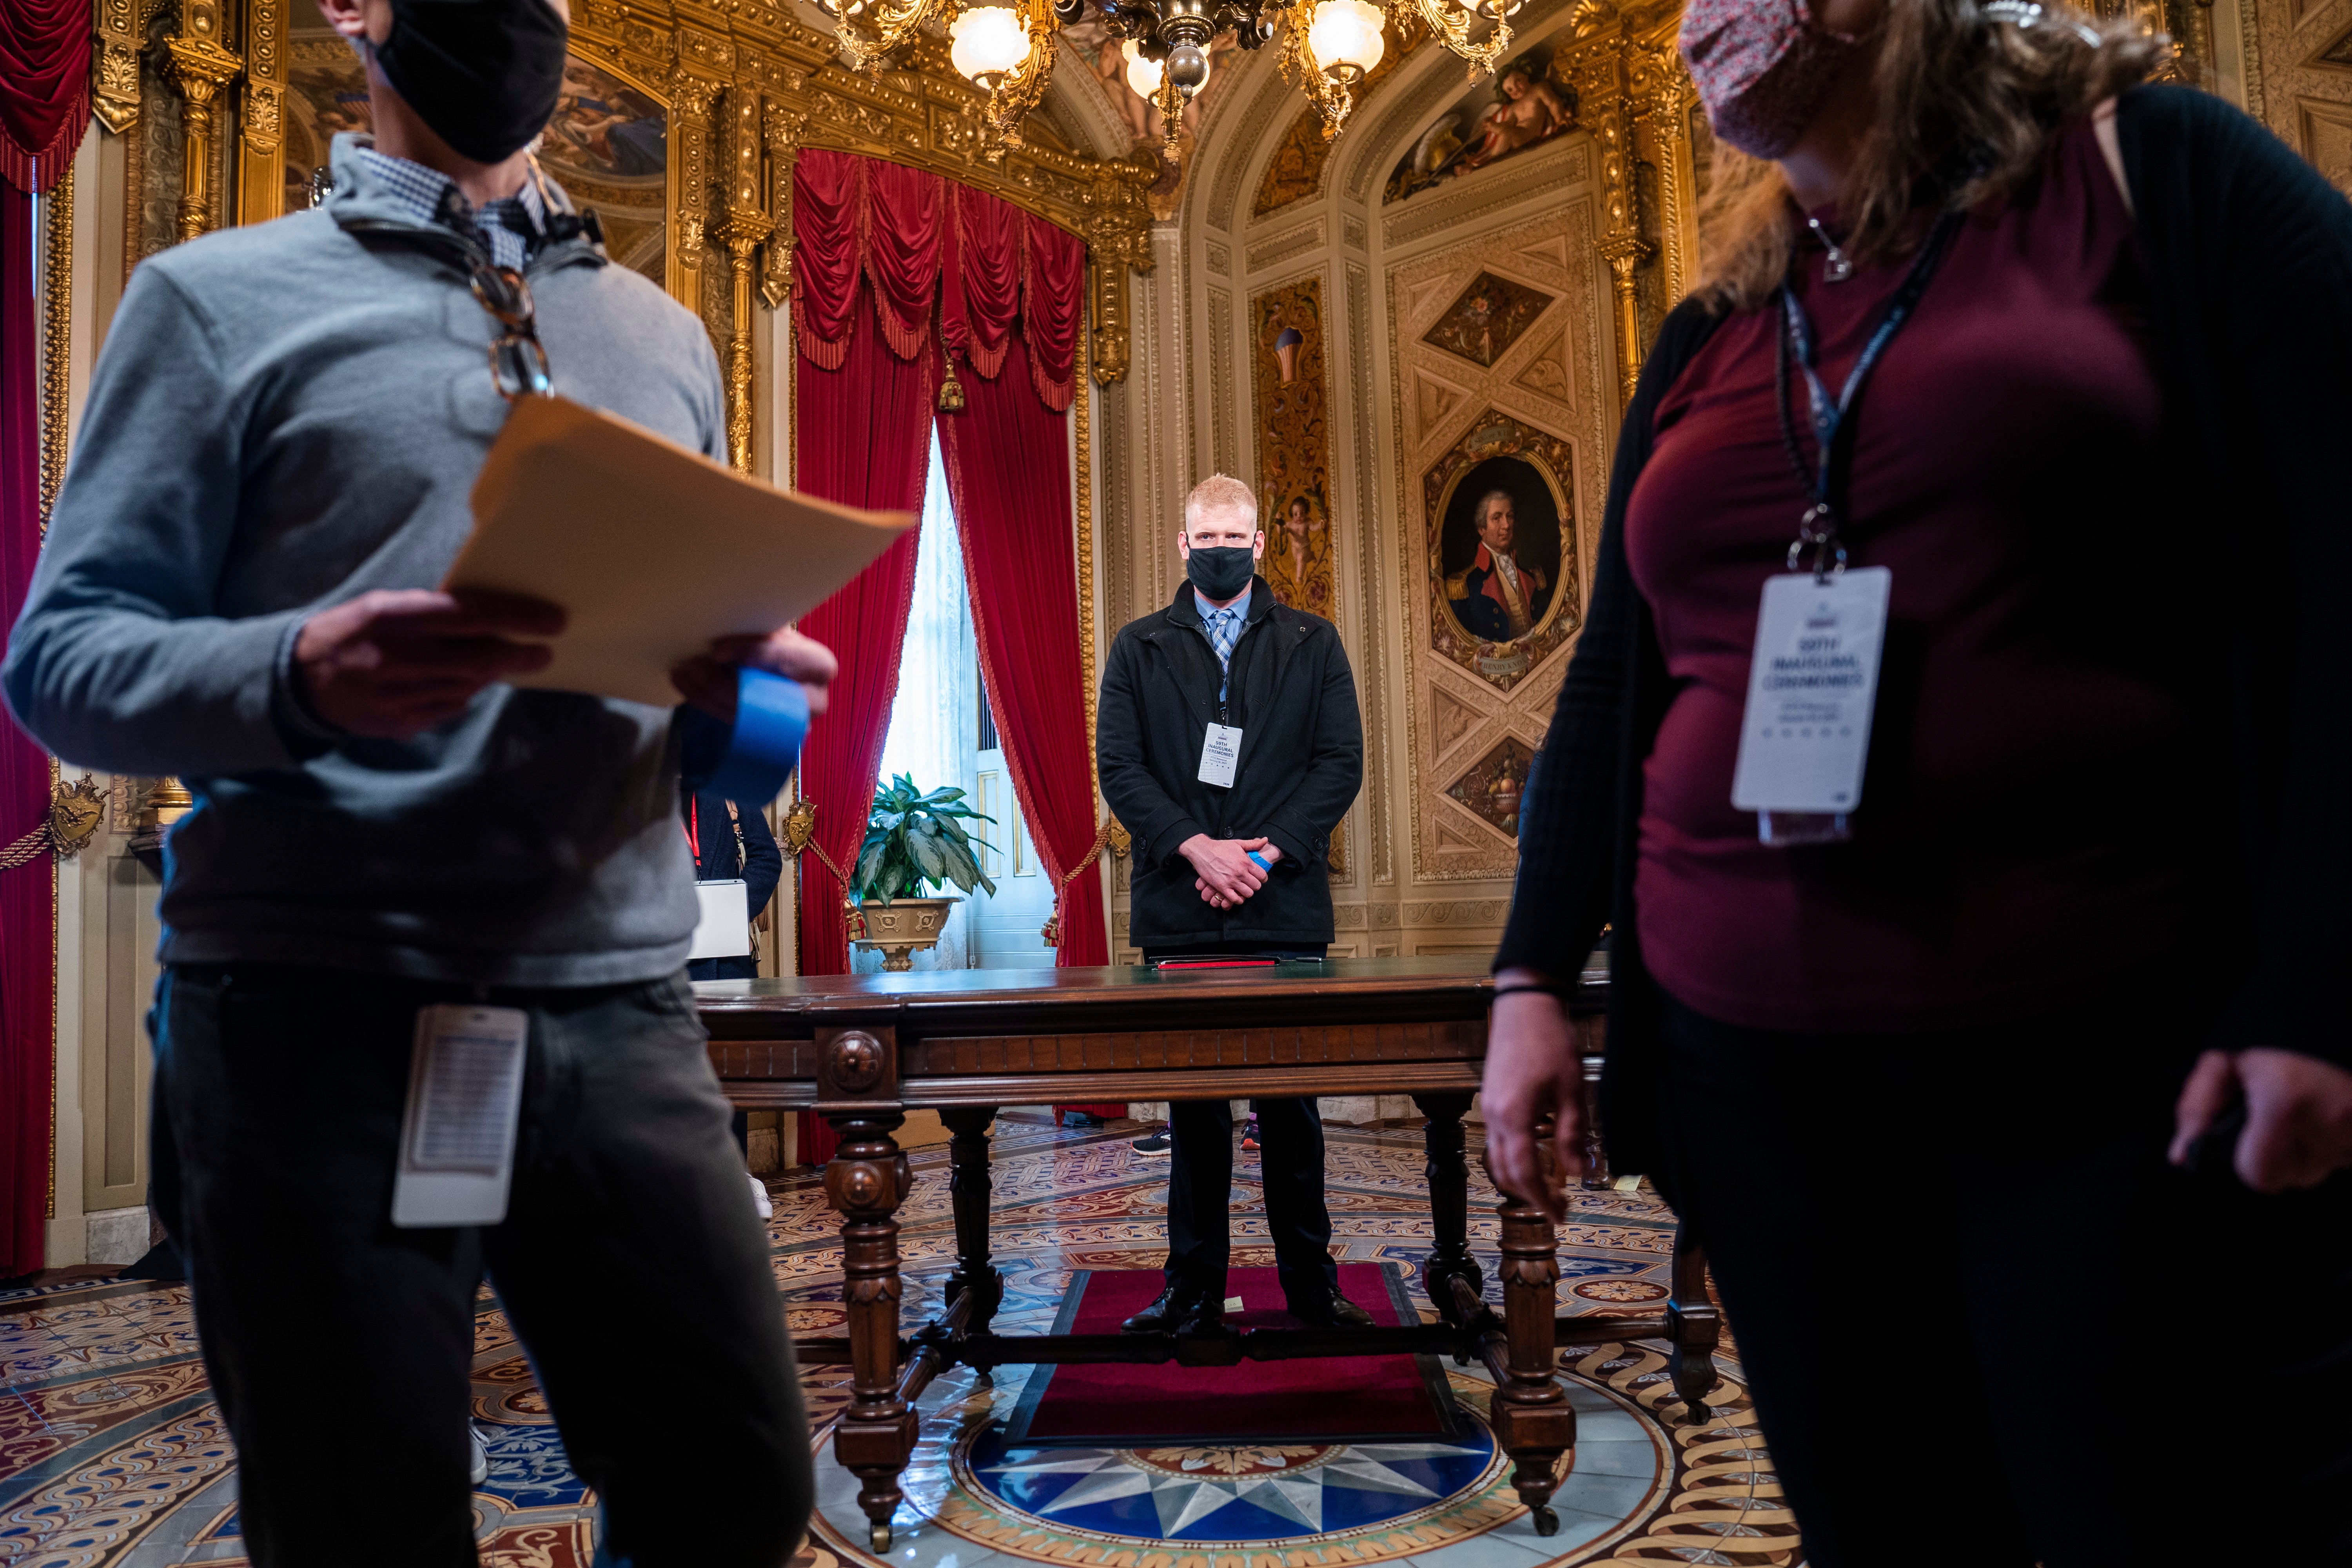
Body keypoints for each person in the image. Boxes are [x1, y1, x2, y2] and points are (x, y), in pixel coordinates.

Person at [1479, 0, 2352, 1563]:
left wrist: (2322, 983)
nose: (1699, 24)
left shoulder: (2153, 170)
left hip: (2104, 1070)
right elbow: (1617, 669)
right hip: (1761, 1089)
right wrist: (1532, 971)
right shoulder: (1717, 319)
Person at [2, 0, 833, 1562]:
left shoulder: (664, 333)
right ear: (353, 9)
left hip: (621, 1007)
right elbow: (62, 662)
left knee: (737, 1491)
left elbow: (683, 727)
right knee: (359, 1528)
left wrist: (743, 703)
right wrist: (296, 673)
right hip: (314, 1016)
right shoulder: (208, 301)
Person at [1096, 474, 1369, 1333]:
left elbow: (1339, 762)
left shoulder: (1313, 641)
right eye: (1204, 537)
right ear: (1183, 545)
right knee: (1194, 1110)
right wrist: (1198, 846)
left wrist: (1265, 849)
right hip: (1181, 899)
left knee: (1293, 1106)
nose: (1219, 550)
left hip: (1280, 899)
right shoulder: (1138, 646)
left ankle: (1313, 1286)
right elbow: (1121, 767)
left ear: (1258, 545)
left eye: (1233, 538)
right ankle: (1191, 1288)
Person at [683, 786, 782, 984]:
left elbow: (766, 857)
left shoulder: (730, 785)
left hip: (726, 961)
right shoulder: (635, 790)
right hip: (658, 958)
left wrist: (733, 910)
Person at [1446, 489, 1550, 642]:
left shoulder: (1532, 576)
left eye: (1510, 517)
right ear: (1482, 529)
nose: (1507, 525)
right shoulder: (1466, 584)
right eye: (1497, 518)